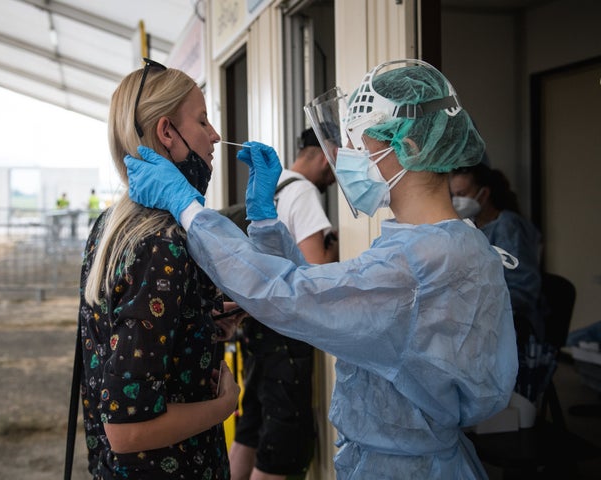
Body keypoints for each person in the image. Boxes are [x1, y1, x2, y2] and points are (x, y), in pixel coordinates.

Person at [124, 59, 518, 479]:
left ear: (412, 148)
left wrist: (189, 209)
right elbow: (324, 297)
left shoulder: (422, 264)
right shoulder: (441, 243)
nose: (346, 159)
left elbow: (293, 297)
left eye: (359, 144)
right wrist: (264, 221)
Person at [77, 58, 241, 479]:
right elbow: (127, 431)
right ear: (167, 132)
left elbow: (132, 338)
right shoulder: (162, 244)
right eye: (203, 120)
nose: (215, 136)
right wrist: (225, 405)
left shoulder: (113, 226)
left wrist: (202, 323)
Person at [229, 128, 339, 480]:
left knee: (251, 428)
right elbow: (314, 269)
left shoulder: (274, 187)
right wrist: (333, 250)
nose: (334, 178)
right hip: (285, 334)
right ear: (326, 154)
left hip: (257, 324)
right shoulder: (303, 191)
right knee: (281, 444)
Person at [449, 164, 548, 403]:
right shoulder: (473, 229)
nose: (456, 201)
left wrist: (480, 308)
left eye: (462, 195)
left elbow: (524, 288)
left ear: (484, 193)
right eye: (453, 196)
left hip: (516, 325)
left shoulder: (508, 226)